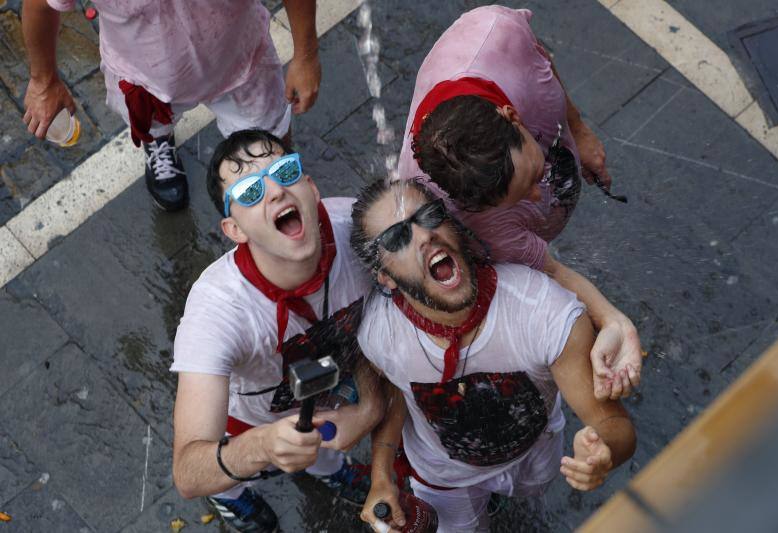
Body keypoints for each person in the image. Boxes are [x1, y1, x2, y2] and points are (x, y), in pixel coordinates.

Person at [350, 179, 636, 532]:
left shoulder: (541, 311)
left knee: (533, 489)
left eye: (428, 215)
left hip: (534, 453)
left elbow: (615, 424)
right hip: (444, 478)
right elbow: (394, 390)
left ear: (451, 224)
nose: (423, 236)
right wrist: (382, 476)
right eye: (396, 238)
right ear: (386, 278)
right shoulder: (379, 334)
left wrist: (604, 453)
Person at [397, 5, 641, 400]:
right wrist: (613, 320)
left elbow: (542, 63)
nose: (539, 193)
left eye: (532, 174)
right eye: (521, 196)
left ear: (512, 115)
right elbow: (552, 270)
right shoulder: (451, 213)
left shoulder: (496, 31)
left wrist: (579, 131)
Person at [171, 130, 380, 533]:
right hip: (249, 419)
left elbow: (394, 322)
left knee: (318, 444)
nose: (276, 193)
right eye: (249, 192)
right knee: (243, 468)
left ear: (311, 186)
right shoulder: (216, 310)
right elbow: (188, 473)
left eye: (285, 172)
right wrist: (262, 445)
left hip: (329, 395)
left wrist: (369, 406)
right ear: (235, 230)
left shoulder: (360, 228)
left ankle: (330, 469)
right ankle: (231, 498)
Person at [22, 0, 321, 211]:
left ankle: (279, 182)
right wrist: (43, 80)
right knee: (152, 125)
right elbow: (39, 4)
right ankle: (158, 142)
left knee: (269, 145)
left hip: (244, 64)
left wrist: (306, 54)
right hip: (145, 82)